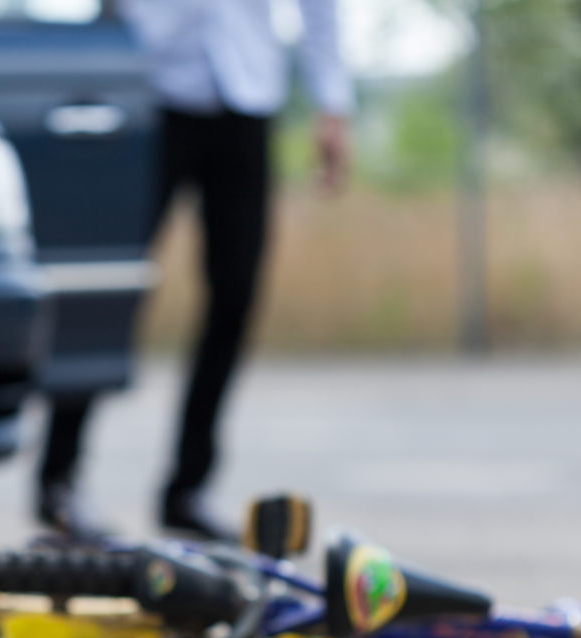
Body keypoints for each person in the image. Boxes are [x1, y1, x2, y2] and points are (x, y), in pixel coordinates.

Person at [37, 0, 353, 541]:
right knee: (111, 291)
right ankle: (58, 482)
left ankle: (188, 488)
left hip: (244, 94)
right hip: (147, 92)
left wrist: (332, 103)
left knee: (235, 296)